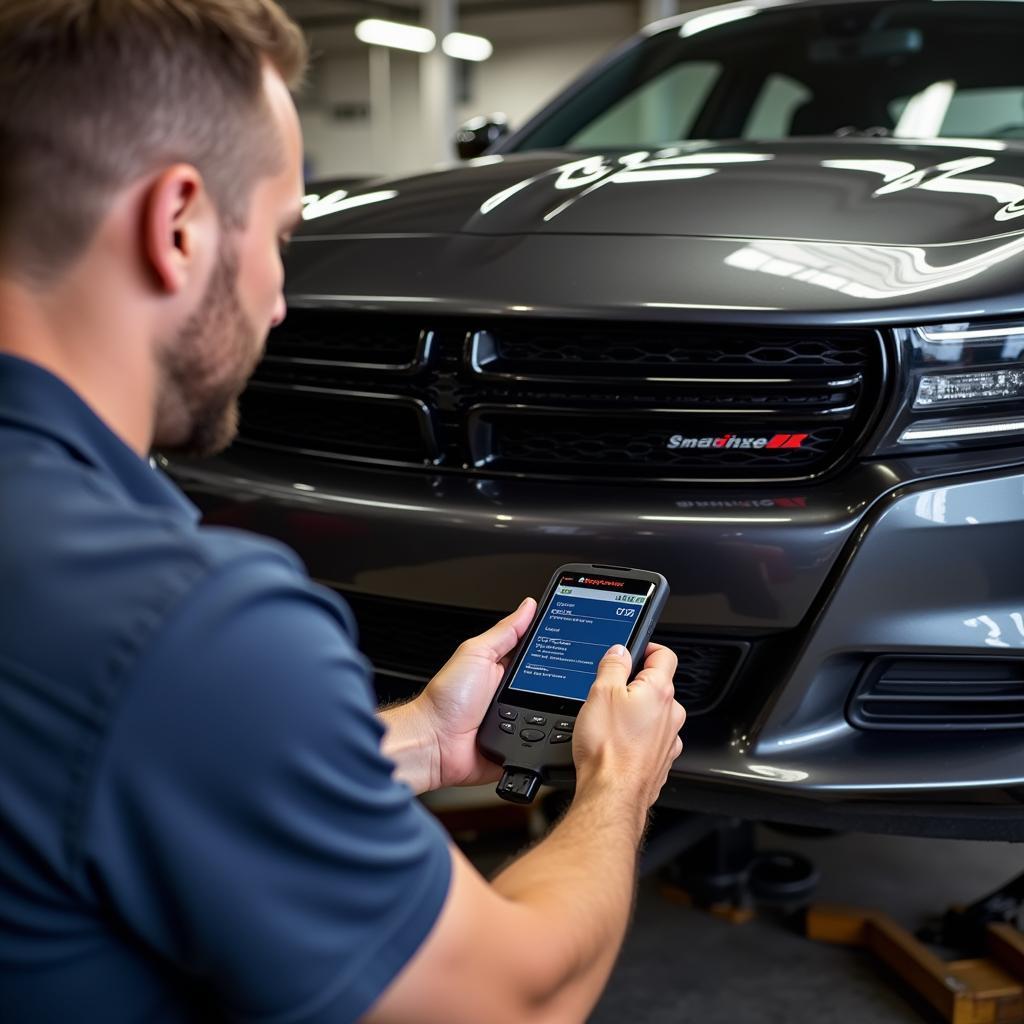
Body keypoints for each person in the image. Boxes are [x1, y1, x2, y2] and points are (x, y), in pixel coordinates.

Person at [0, 2, 687, 1021]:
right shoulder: (181, 621)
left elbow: (122, 757)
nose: (278, 298)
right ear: (178, 223)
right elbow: (509, 1002)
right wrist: (614, 786)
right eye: (280, 236)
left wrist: (413, 737)